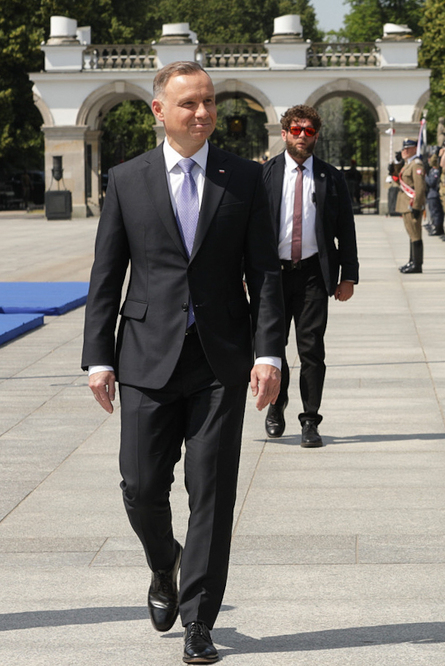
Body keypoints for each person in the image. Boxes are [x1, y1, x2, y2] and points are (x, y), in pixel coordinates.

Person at [82, 61, 284, 663]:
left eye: (209, 102)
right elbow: (107, 273)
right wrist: (99, 358)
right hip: (145, 358)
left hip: (220, 361)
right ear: (159, 111)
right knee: (141, 486)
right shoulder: (127, 178)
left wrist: (269, 352)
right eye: (189, 104)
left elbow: (264, 273)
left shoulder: (245, 179)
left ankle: (199, 622)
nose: (202, 113)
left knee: (212, 493)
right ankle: (162, 562)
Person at [261, 104, 359, 447]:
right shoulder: (265, 175)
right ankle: (276, 404)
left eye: (310, 131)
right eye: (296, 130)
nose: (303, 136)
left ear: (317, 135)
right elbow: (249, 231)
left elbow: (346, 229)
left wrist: (348, 276)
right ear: (285, 133)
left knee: (311, 350)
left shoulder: (331, 177)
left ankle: (310, 420)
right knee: (273, 346)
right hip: (273, 276)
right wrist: (244, 272)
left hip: (314, 275)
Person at [396, 138, 428, 273]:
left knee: (415, 234)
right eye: (404, 149)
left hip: (412, 205)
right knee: (411, 233)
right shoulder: (408, 164)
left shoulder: (416, 165)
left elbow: (420, 188)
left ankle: (417, 264)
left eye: (408, 148)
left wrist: (417, 206)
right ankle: (412, 261)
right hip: (406, 204)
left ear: (415, 149)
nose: (405, 151)